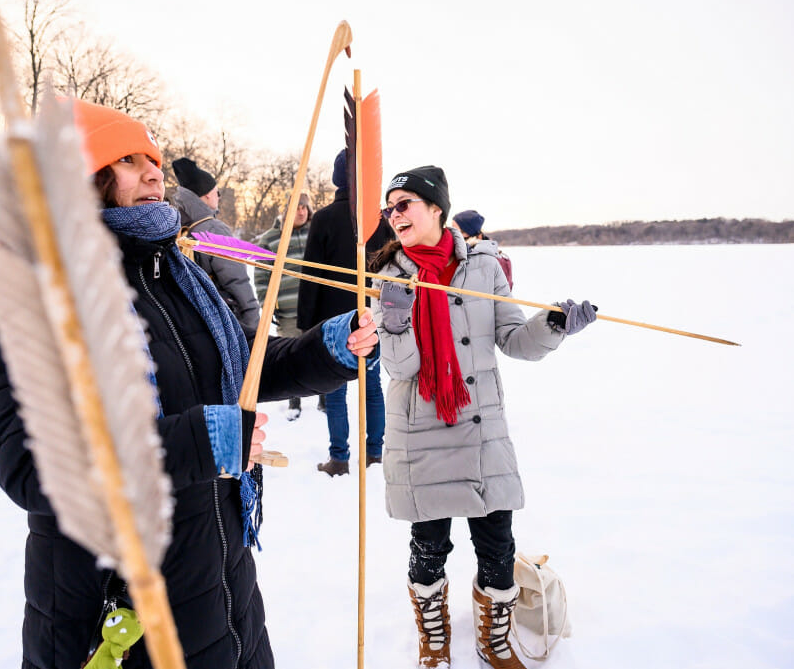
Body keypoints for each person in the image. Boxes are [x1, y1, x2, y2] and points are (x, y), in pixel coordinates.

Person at [0, 98, 378, 669]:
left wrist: (332, 345)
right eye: (128, 160)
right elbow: (29, 466)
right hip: (117, 612)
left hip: (221, 578)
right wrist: (199, 442)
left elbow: (243, 372)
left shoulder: (179, 275)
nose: (154, 171)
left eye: (151, 157)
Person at [370, 165, 596, 669]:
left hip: (478, 425)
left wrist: (553, 324)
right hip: (420, 429)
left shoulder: (485, 267)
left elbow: (515, 341)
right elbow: (401, 366)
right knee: (429, 545)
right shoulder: (388, 277)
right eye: (389, 207)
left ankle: (493, 639)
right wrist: (395, 320)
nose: (394, 214)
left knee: (497, 544)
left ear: (436, 209)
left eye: (404, 203)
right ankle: (434, 638)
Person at [297, 149, 396, 476]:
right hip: (369, 320)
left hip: (336, 323)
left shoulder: (326, 218)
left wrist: (306, 326)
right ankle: (372, 453)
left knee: (337, 391)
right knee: (370, 388)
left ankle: (342, 458)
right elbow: (309, 274)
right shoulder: (380, 221)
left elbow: (309, 282)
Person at [171, 156, 261, 330]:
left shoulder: (174, 226)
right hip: (222, 322)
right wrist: (252, 318)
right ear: (206, 195)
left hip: (186, 322)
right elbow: (236, 280)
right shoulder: (213, 230)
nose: (218, 197)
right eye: (216, 192)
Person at [253, 192, 312, 421]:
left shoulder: (315, 233)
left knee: (321, 351)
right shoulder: (270, 238)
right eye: (296, 207)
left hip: (315, 307)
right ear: (286, 210)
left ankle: (325, 400)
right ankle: (294, 402)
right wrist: (267, 304)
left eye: (305, 207)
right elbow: (260, 275)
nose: (301, 212)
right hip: (287, 310)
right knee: (292, 354)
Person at [452, 209, 513, 291]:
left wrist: (466, 247)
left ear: (475, 236)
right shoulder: (452, 252)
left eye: (460, 232)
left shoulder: (498, 260)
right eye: (452, 229)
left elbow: (504, 292)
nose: (453, 234)